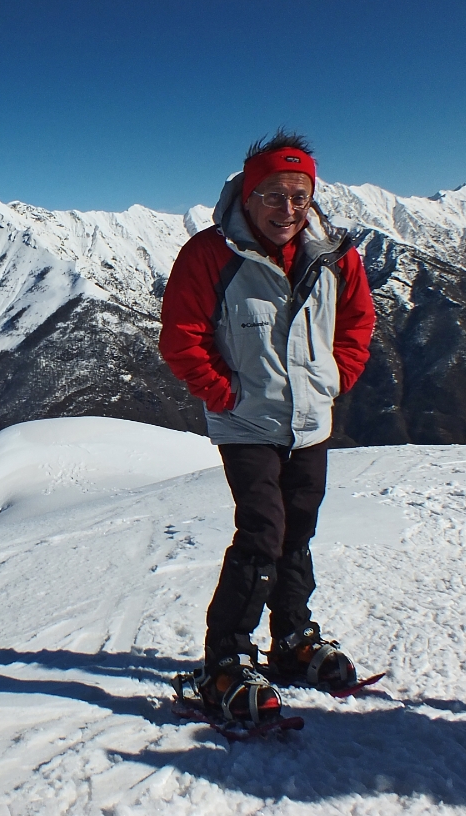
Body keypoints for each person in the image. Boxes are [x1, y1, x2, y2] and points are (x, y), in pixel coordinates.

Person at [159, 129, 376, 723]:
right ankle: (225, 657)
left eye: (299, 195)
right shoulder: (211, 254)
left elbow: (357, 320)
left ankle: (290, 638)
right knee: (263, 530)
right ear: (248, 195)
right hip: (246, 422)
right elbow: (181, 337)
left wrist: (338, 375)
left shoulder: (335, 254)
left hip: (310, 419)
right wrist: (222, 391)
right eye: (275, 195)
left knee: (297, 527)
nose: (287, 209)